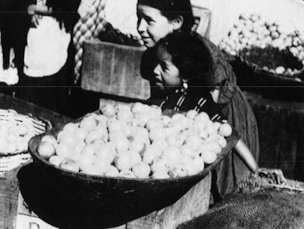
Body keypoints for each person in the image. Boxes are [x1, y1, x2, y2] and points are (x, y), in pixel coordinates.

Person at [136, 0, 260, 197]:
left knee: (223, 191)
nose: (140, 28)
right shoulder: (163, 52)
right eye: (138, 18)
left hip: (220, 120)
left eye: (149, 20)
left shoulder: (199, 54)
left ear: (176, 22)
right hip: (187, 117)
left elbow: (215, 120)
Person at [15, 0, 80, 114]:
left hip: (55, 45)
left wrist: (34, 8)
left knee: (51, 108)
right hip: (34, 47)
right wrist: (29, 12)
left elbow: (68, 9)